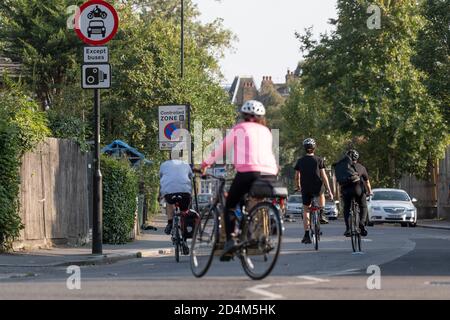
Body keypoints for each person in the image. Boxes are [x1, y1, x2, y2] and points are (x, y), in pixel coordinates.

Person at [201, 100, 278, 261]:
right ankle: (253, 234)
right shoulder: (267, 131)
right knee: (252, 201)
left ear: (243, 116)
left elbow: (222, 148)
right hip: (270, 173)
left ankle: (230, 241)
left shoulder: (239, 129)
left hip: (248, 171)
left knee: (230, 205)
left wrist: (205, 163)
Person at [294, 138, 334, 244]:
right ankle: (321, 213)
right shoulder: (319, 160)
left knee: (306, 210)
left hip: (305, 188)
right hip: (317, 186)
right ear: (314, 148)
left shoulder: (300, 161)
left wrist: (298, 186)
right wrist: (329, 190)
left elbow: (297, 176)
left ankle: (307, 234)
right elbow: (324, 176)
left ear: (305, 148)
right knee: (321, 193)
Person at [340, 149, 372, 237]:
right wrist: (369, 192)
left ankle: (348, 228)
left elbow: (339, 180)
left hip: (346, 190)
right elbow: (367, 182)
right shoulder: (361, 167)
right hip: (358, 190)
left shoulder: (343, 166)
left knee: (346, 208)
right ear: (357, 158)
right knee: (363, 206)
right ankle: (362, 223)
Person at [159, 159, 193, 236]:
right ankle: (185, 225)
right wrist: (191, 194)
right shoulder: (186, 164)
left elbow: (161, 180)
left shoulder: (164, 165)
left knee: (169, 202)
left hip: (170, 193)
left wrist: (160, 195)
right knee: (184, 210)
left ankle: (170, 223)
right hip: (185, 193)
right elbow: (191, 177)